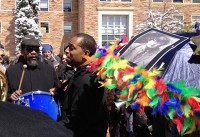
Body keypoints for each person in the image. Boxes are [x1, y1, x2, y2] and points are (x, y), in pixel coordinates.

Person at [51, 33, 109, 137]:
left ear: (85, 53)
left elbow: (77, 121)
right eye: (68, 46)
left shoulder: (87, 80)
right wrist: (60, 92)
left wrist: (50, 128)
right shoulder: (83, 73)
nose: (67, 51)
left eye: (72, 48)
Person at [6, 35, 58, 102]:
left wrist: (55, 90)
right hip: (21, 111)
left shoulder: (48, 68)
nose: (33, 52)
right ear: (22, 51)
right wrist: (10, 97)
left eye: (36, 49)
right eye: (29, 49)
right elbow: (5, 94)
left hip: (44, 110)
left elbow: (57, 88)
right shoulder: (12, 71)